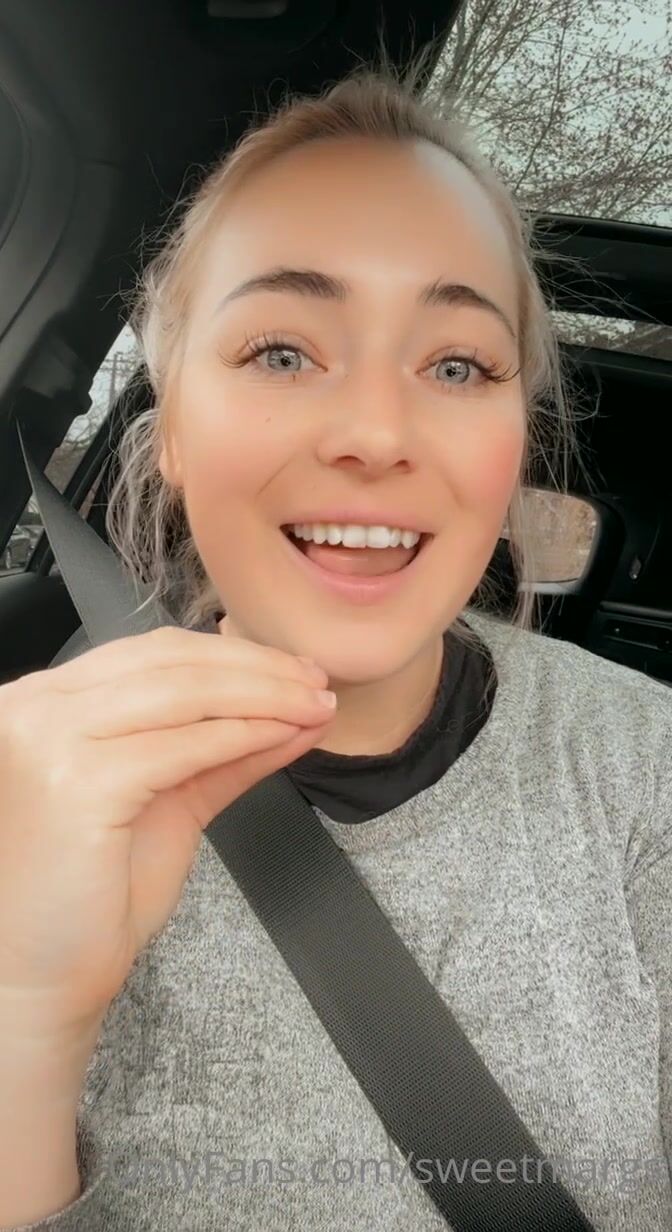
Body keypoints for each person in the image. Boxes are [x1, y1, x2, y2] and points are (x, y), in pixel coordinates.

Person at [1, 48, 671, 1232]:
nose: (375, 429)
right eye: (281, 351)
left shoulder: (647, 764)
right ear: (170, 429)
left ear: (513, 444)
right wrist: (22, 1011)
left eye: (457, 363)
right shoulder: (25, 791)